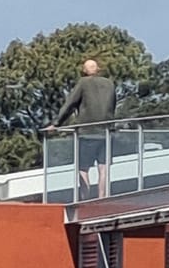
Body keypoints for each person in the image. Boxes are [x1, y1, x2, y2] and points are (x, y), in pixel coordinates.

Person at [49, 57, 118, 196]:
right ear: (97, 69)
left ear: (84, 70)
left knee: (83, 168)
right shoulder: (109, 84)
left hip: (87, 131)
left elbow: (70, 104)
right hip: (106, 131)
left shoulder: (83, 83)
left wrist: (56, 123)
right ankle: (102, 196)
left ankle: (85, 197)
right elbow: (113, 105)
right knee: (103, 167)